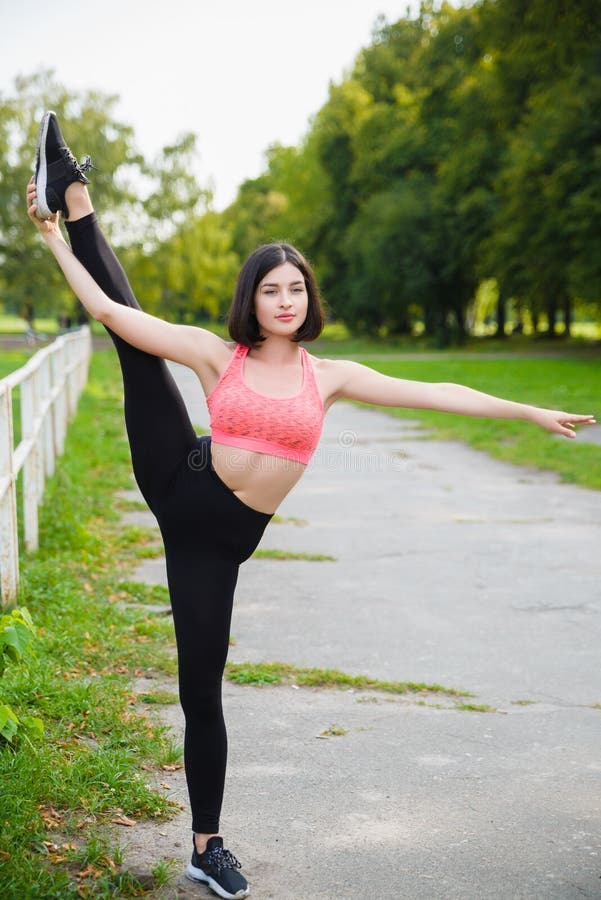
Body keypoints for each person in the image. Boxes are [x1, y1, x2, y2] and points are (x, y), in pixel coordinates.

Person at [27, 111, 595, 900]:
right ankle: (74, 195)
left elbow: (434, 391)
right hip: (180, 480)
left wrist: (527, 412)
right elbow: (111, 314)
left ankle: (204, 846)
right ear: (251, 300)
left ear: (307, 298)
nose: (285, 299)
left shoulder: (328, 376)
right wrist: (54, 237)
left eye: (296, 288)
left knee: (204, 690)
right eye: (271, 289)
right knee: (134, 347)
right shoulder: (213, 354)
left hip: (221, 544)